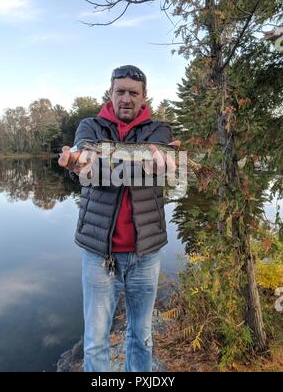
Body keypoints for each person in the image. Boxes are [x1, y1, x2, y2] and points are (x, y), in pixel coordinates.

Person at [58, 65, 176, 372]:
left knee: (143, 335)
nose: (126, 98)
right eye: (120, 91)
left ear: (144, 96)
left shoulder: (158, 130)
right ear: (110, 93)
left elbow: (155, 169)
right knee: (96, 339)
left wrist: (164, 165)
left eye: (133, 93)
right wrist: (76, 166)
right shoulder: (90, 126)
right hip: (99, 253)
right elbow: (86, 169)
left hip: (145, 252)